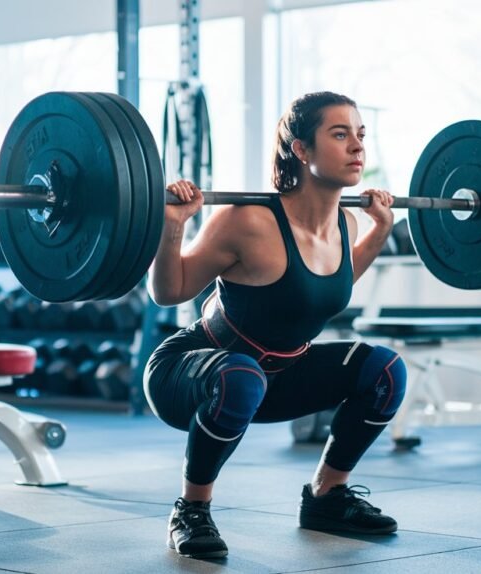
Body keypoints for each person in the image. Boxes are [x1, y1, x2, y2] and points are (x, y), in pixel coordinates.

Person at [145, 91, 407, 560]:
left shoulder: (346, 224)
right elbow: (170, 291)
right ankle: (191, 509)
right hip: (190, 370)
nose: (357, 148)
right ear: (302, 150)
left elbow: (330, 285)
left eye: (360, 135)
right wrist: (173, 227)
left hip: (279, 375)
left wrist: (380, 232)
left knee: (386, 370)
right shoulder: (248, 220)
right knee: (241, 376)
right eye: (340, 134)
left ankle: (328, 497)